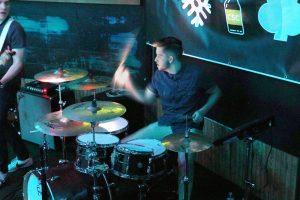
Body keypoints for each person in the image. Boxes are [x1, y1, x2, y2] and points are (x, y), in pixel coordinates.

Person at [113, 36, 221, 200]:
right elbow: (147, 99)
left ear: (170, 58)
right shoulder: (158, 76)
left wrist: (203, 111)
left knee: (184, 163)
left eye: (159, 55)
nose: (155, 59)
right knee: (124, 145)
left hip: (188, 126)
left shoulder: (196, 74)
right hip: (167, 123)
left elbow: (216, 92)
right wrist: (128, 85)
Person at [0, 0, 32, 188]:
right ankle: (24, 157)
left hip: (6, 84)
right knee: (2, 122)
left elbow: (18, 63)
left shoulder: (14, 28)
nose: (3, 7)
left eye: (7, 2)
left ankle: (1, 170)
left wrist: (1, 81)